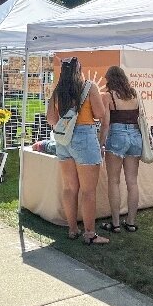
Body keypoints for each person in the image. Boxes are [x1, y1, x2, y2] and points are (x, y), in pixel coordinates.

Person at [46, 57, 109, 245]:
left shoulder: (58, 91)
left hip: (63, 139)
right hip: (85, 136)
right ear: (79, 70)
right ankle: (90, 234)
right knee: (88, 190)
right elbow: (99, 114)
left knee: (70, 187)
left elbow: (51, 119)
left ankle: (73, 229)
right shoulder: (89, 87)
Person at [99, 66, 142, 233]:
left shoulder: (108, 96)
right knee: (132, 182)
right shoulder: (135, 93)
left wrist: (101, 143)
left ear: (110, 79)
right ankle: (131, 222)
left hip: (117, 136)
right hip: (135, 136)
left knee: (114, 181)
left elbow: (105, 125)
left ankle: (115, 224)